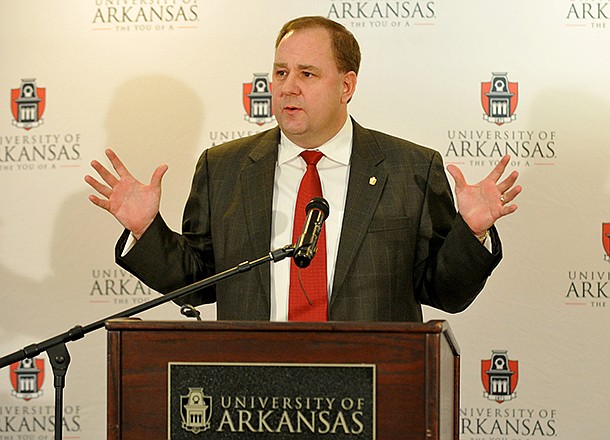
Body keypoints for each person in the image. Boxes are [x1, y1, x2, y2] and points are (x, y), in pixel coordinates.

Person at [85, 16, 521, 322]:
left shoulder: (410, 169)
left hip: (371, 386)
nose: (287, 86)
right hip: (253, 390)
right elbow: (200, 282)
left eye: (307, 74)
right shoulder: (224, 169)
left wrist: (473, 232)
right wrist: (147, 231)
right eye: (280, 72)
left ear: (346, 85)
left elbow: (445, 293)